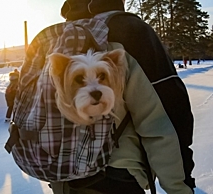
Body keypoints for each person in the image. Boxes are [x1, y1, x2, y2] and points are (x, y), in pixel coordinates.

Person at [15, 1, 194, 194]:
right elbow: (164, 120)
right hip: (117, 176)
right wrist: (179, 186)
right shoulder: (130, 31)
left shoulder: (52, 40)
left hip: (61, 175)